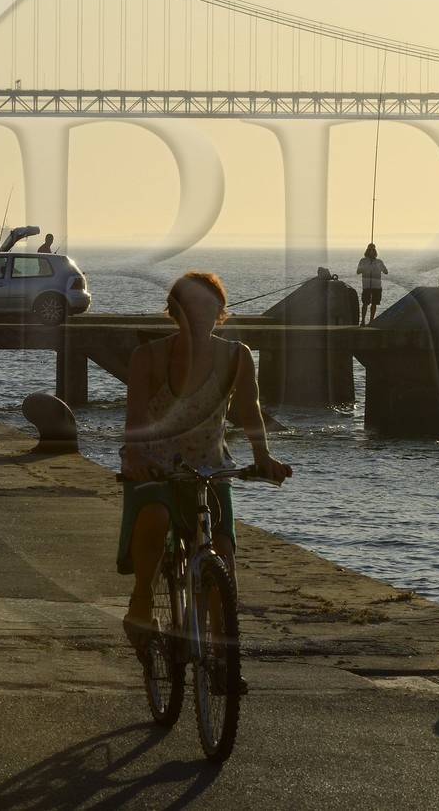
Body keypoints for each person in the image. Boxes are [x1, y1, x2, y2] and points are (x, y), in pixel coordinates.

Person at [117, 272, 291, 662]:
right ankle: (142, 597)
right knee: (156, 516)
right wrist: (137, 455)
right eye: (188, 306)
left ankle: (222, 651)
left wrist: (263, 459)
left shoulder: (236, 356)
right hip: (154, 465)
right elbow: (135, 418)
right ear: (173, 312)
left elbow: (249, 413)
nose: (198, 314)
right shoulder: (148, 357)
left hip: (211, 466)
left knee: (223, 553)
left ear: (221, 312)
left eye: (207, 306)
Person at [356, 242, 389, 325]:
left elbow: (386, 272)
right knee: (365, 303)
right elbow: (358, 271)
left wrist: (381, 267)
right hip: (367, 285)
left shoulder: (379, 261)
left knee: (374, 303)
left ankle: (371, 320)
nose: (371, 251)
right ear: (367, 250)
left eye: (373, 250)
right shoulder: (363, 261)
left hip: (377, 286)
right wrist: (367, 267)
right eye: (370, 250)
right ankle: (363, 320)